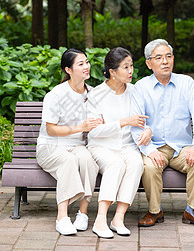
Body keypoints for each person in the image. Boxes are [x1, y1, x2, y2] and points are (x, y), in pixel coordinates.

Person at [130, 39, 194, 228]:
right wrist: (150, 150)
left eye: (169, 56)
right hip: (154, 146)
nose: (165, 61)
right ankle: (155, 211)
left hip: (181, 147)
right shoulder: (141, 87)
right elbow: (136, 126)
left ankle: (192, 211)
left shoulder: (186, 83)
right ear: (149, 63)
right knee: (150, 168)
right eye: (159, 58)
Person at [87, 47, 151, 239]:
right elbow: (95, 131)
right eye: (125, 67)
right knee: (115, 165)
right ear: (112, 72)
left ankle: (119, 218)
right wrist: (123, 122)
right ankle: (100, 219)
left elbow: (148, 120)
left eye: (131, 66)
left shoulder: (135, 91)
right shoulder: (96, 94)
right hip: (101, 146)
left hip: (128, 146)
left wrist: (148, 130)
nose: (130, 71)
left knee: (136, 163)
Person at [36, 48, 101, 236]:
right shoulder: (56, 95)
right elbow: (51, 129)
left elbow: (99, 120)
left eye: (87, 62)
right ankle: (62, 217)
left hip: (77, 146)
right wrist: (81, 127)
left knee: (88, 161)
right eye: (80, 64)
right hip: (51, 146)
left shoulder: (93, 93)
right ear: (68, 70)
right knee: (68, 161)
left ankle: (83, 213)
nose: (86, 66)